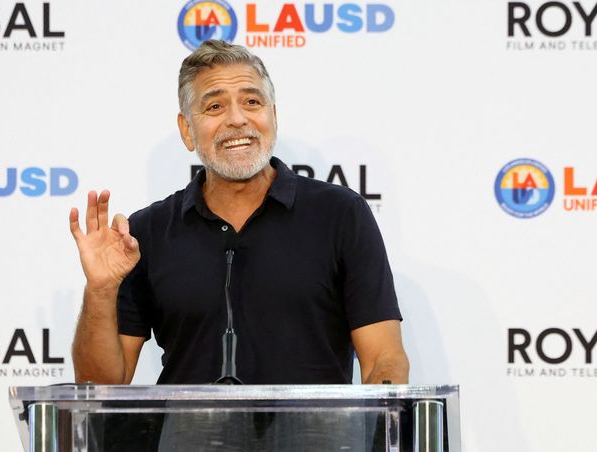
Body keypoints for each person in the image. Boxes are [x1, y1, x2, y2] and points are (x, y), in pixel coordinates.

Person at [69, 40, 408, 385]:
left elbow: (384, 359)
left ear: (273, 116)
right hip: (189, 439)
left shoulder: (341, 215)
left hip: (317, 439)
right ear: (187, 129)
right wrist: (100, 289)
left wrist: (378, 428)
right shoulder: (145, 233)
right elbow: (100, 386)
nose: (237, 119)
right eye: (215, 106)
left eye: (252, 102)